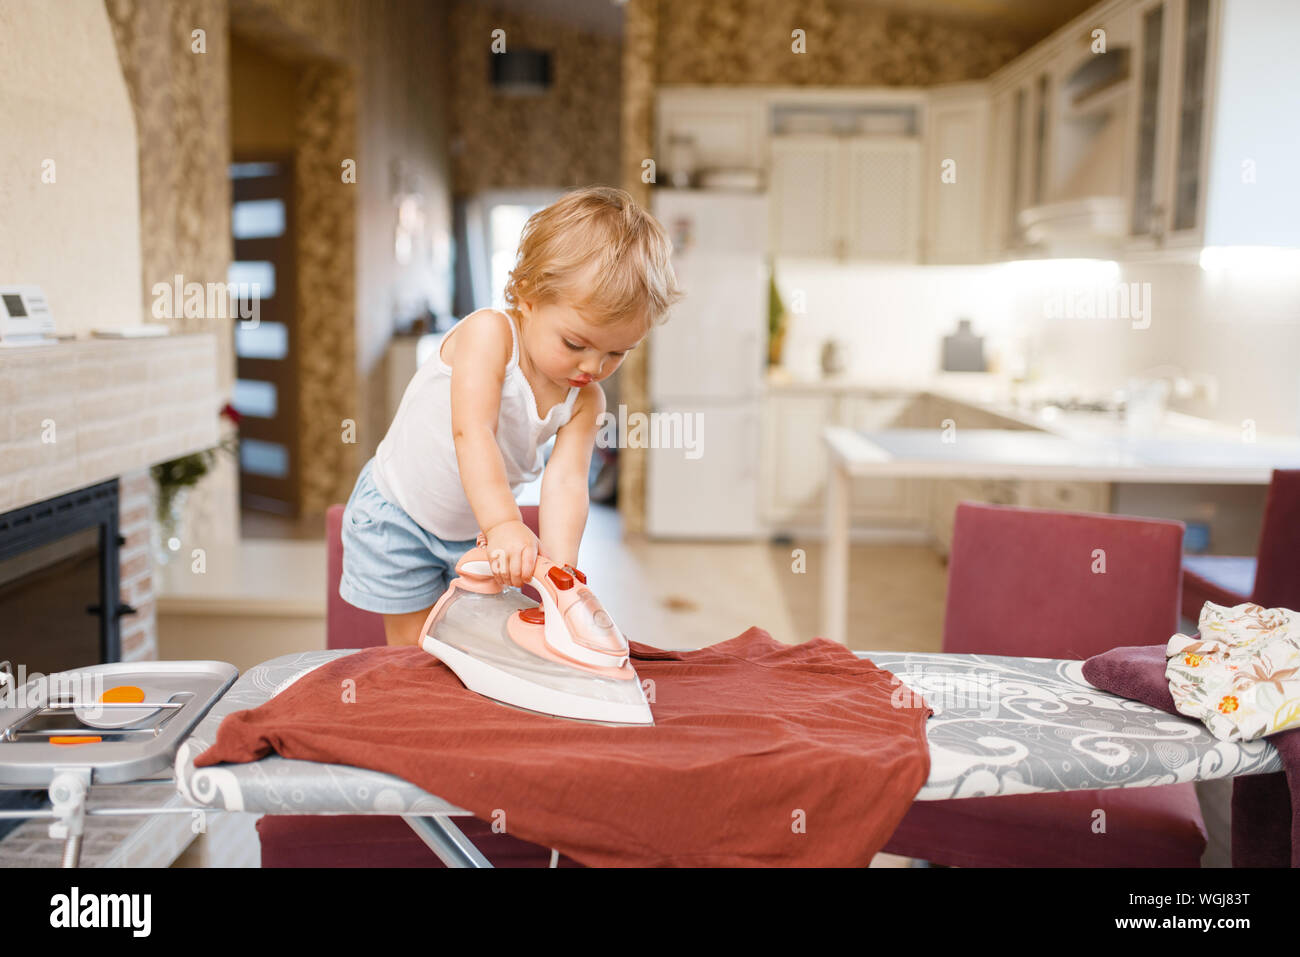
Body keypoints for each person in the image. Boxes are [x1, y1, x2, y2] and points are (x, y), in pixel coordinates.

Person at [340, 185, 682, 646]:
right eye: (575, 344)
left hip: (471, 530)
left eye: (616, 353)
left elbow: (566, 482)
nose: (592, 367)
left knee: (471, 647)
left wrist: (561, 576)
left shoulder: (586, 401)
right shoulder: (490, 336)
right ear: (526, 296)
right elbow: (472, 431)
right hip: (400, 516)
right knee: (414, 655)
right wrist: (503, 524)